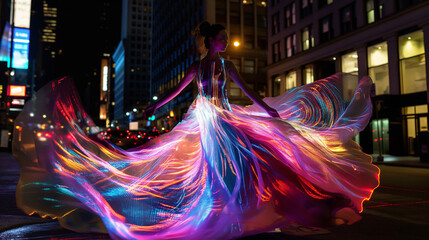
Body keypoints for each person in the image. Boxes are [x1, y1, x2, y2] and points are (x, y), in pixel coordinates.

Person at [12, 22, 379, 240]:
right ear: (212, 42)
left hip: (221, 116)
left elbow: (246, 91)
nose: (223, 43)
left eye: (223, 40)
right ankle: (221, 208)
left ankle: (253, 205)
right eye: (220, 39)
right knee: (203, 167)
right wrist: (157, 104)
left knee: (251, 160)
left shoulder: (226, 65)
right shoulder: (198, 66)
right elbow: (177, 89)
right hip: (204, 118)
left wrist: (267, 109)